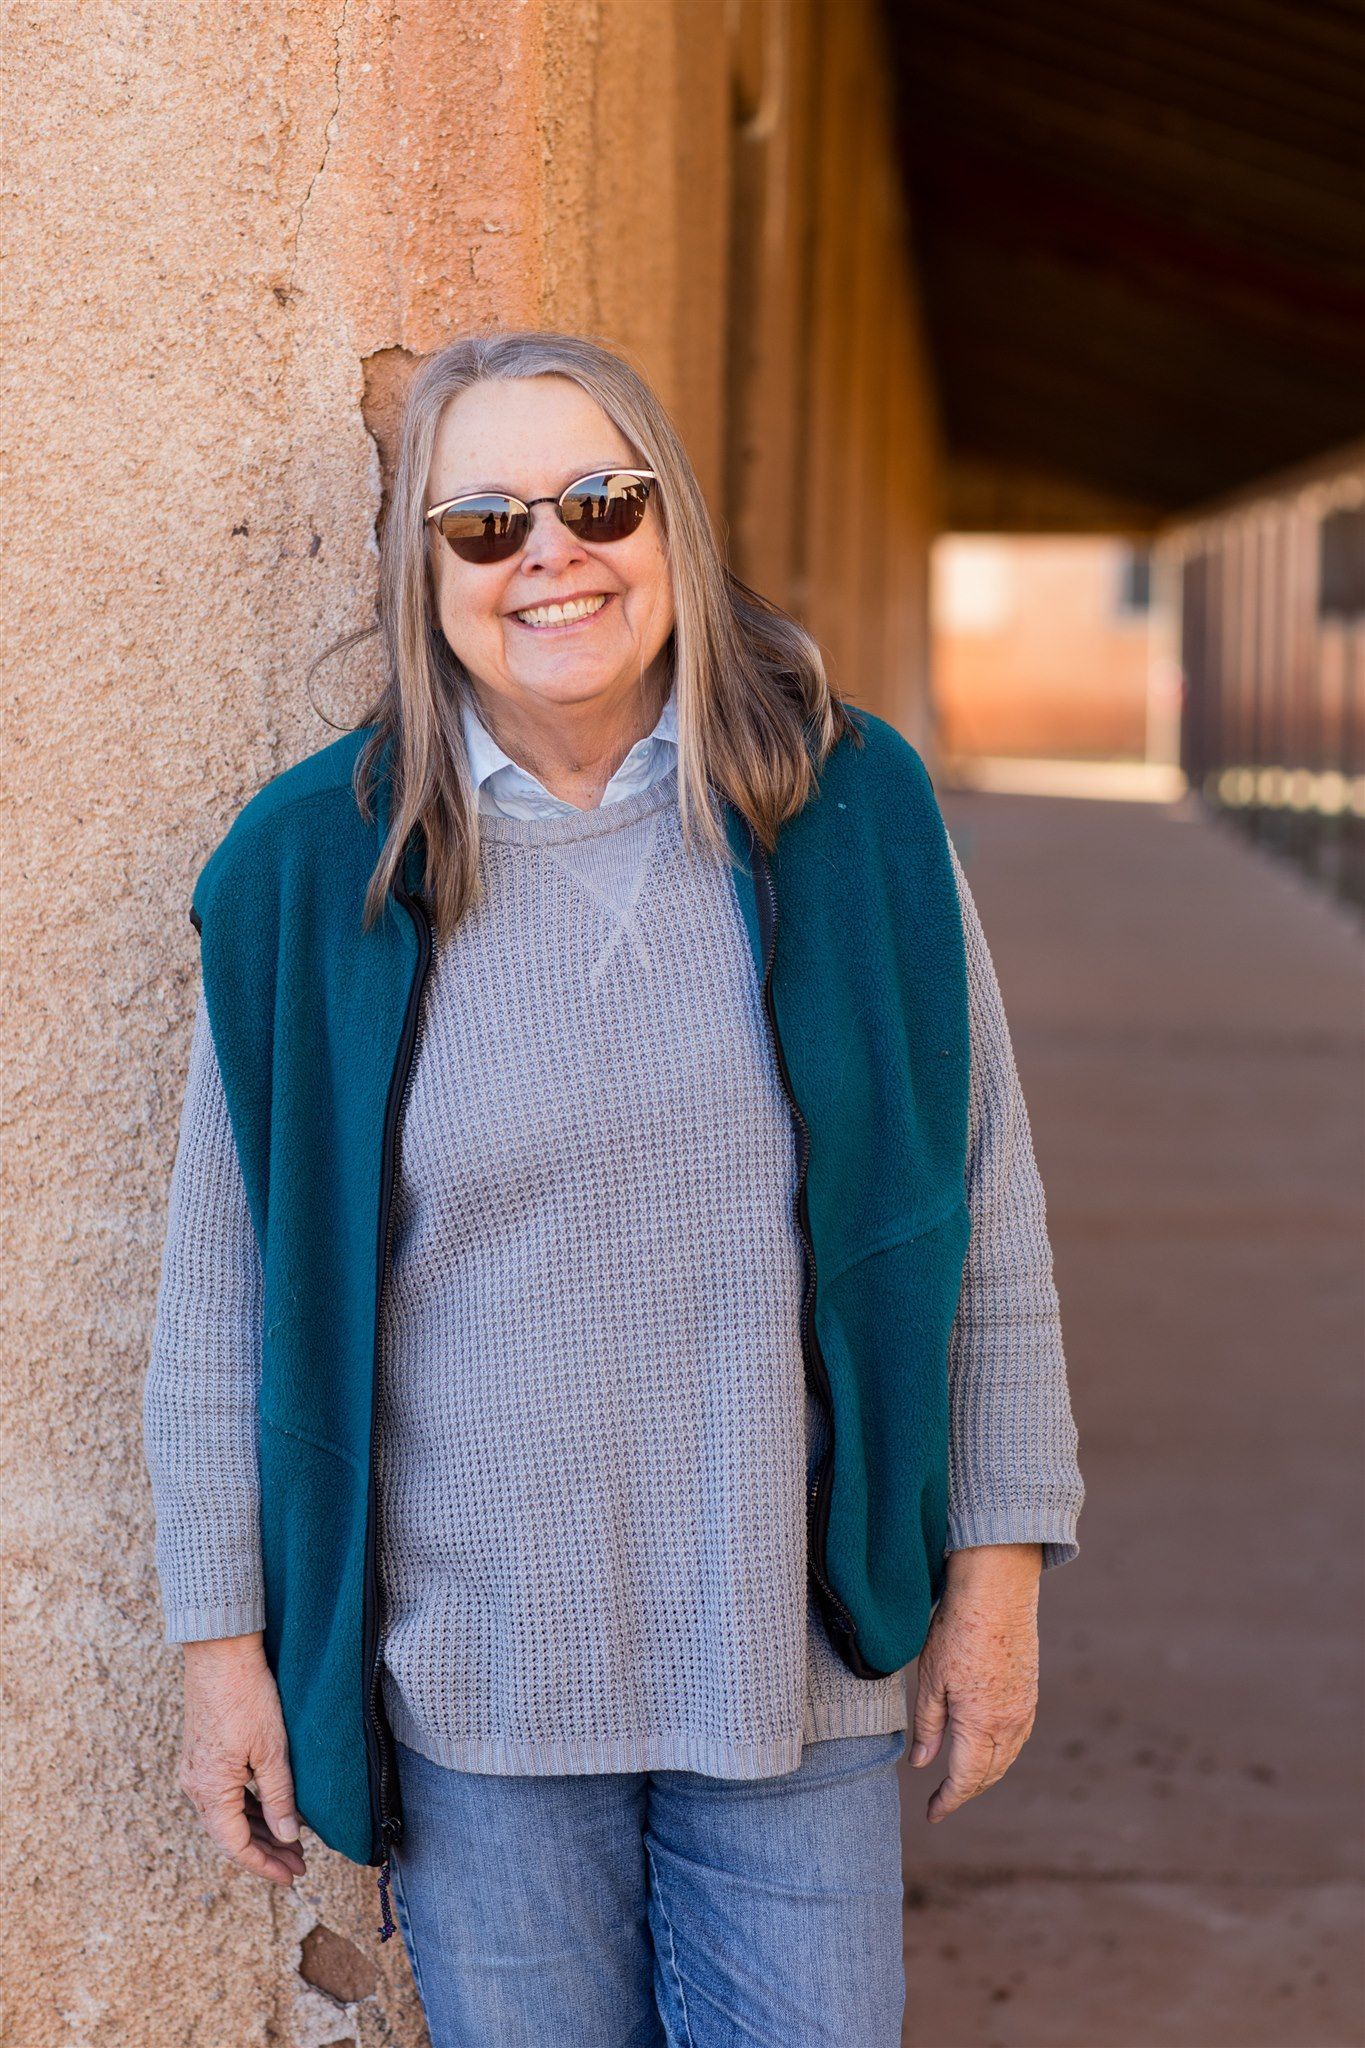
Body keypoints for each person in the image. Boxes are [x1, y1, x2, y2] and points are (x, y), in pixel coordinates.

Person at [143, 328, 1084, 2048]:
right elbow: (222, 1304)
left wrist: (995, 1578)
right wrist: (223, 1654)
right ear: (421, 574)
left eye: (596, 500)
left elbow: (979, 1217)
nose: (550, 554)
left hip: (792, 1667)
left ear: (674, 529)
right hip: (475, 1702)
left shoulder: (845, 813)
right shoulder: (308, 876)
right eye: (484, 524)